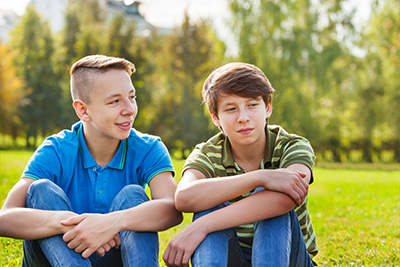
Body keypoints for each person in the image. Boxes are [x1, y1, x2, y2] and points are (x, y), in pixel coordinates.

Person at [0, 55, 183, 267]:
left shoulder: (148, 147)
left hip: (116, 254)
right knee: (41, 191)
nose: (130, 109)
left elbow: (172, 208)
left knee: (133, 196)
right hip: (56, 257)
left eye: (131, 97)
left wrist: (110, 223)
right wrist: (72, 225)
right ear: (83, 110)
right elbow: (5, 218)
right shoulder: (56, 149)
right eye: (115, 101)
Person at [163, 62, 318, 267]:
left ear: (268, 107)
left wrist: (203, 226)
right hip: (233, 258)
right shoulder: (208, 152)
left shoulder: (291, 145)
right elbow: (184, 197)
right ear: (215, 117)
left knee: (272, 203)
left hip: (290, 259)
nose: (243, 118)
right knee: (208, 204)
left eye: (252, 105)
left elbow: (288, 195)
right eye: (231, 109)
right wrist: (259, 176)